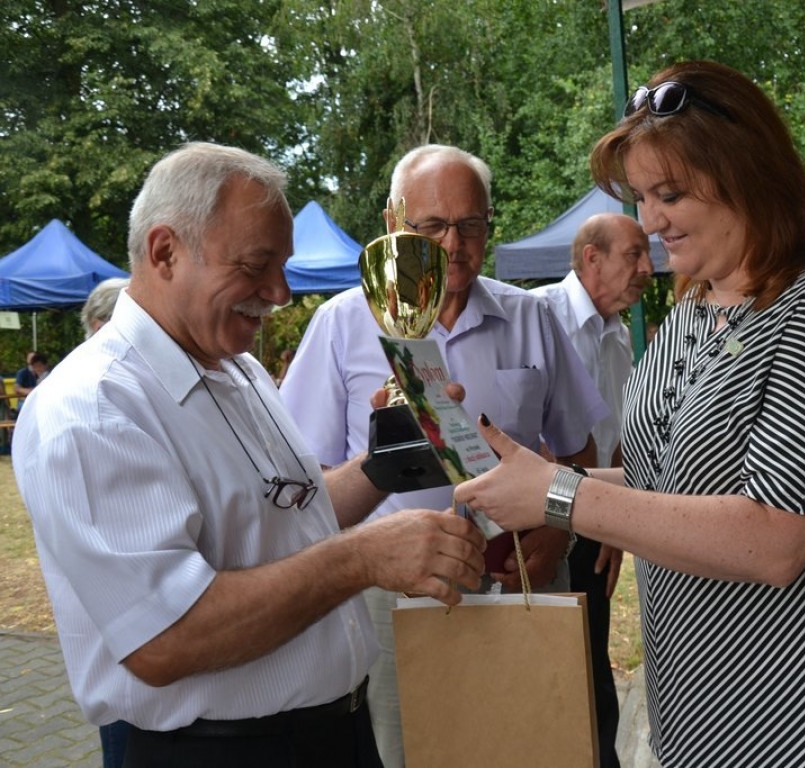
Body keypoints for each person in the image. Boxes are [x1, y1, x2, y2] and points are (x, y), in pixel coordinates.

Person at [453, 61, 805, 766]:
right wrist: (526, 479)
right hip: (706, 719)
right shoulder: (698, 303)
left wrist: (558, 494)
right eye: (640, 196)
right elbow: (666, 488)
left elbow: (777, 537)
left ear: (748, 172)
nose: (650, 219)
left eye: (669, 193)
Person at [12, 141, 486, 768]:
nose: (281, 291)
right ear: (164, 252)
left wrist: (388, 459)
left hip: (333, 735)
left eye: (283, 265)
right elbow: (165, 637)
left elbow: (295, 515)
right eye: (258, 264)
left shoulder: (238, 369)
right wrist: (365, 558)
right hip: (221, 752)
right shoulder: (93, 407)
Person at [281, 143, 607, 768]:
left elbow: (576, 449)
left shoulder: (531, 316)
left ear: (489, 226)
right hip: (394, 589)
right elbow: (310, 479)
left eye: (470, 224)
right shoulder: (341, 323)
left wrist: (558, 536)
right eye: (431, 225)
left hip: (520, 572)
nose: (452, 244)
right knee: (411, 751)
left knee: (532, 745)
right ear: (392, 226)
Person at [530, 212, 653, 768]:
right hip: (543, 528)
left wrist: (617, 522)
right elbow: (529, 438)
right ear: (591, 259)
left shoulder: (618, 333)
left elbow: (622, 435)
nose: (648, 269)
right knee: (555, 675)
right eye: (635, 255)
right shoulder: (539, 317)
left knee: (591, 663)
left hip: (595, 520)